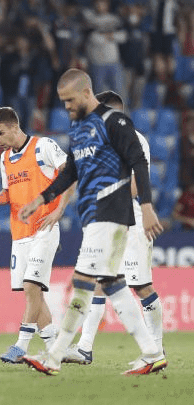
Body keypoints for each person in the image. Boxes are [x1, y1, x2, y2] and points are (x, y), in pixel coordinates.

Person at [18, 68, 166, 376]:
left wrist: (147, 206)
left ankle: (55, 356)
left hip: (115, 214)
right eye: (63, 101)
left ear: (88, 95)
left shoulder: (117, 125)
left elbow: (139, 164)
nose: (67, 106)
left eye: (71, 100)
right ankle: (151, 353)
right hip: (95, 217)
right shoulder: (81, 131)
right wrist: (42, 199)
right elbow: (71, 172)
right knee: (108, 284)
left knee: (88, 282)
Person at [63, 90, 166, 364]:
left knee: (141, 286)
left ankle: (156, 350)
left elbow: (137, 185)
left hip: (133, 221)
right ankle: (84, 348)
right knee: (101, 282)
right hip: (109, 221)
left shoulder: (134, 139)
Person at [0, 107, 72, 364]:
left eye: (0, 133)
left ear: (14, 127)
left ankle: (21, 345)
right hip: (19, 234)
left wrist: (59, 211)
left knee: (32, 286)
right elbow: (10, 193)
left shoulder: (43, 147)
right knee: (34, 293)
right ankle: (55, 348)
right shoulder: (4, 159)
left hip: (44, 228)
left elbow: (70, 173)